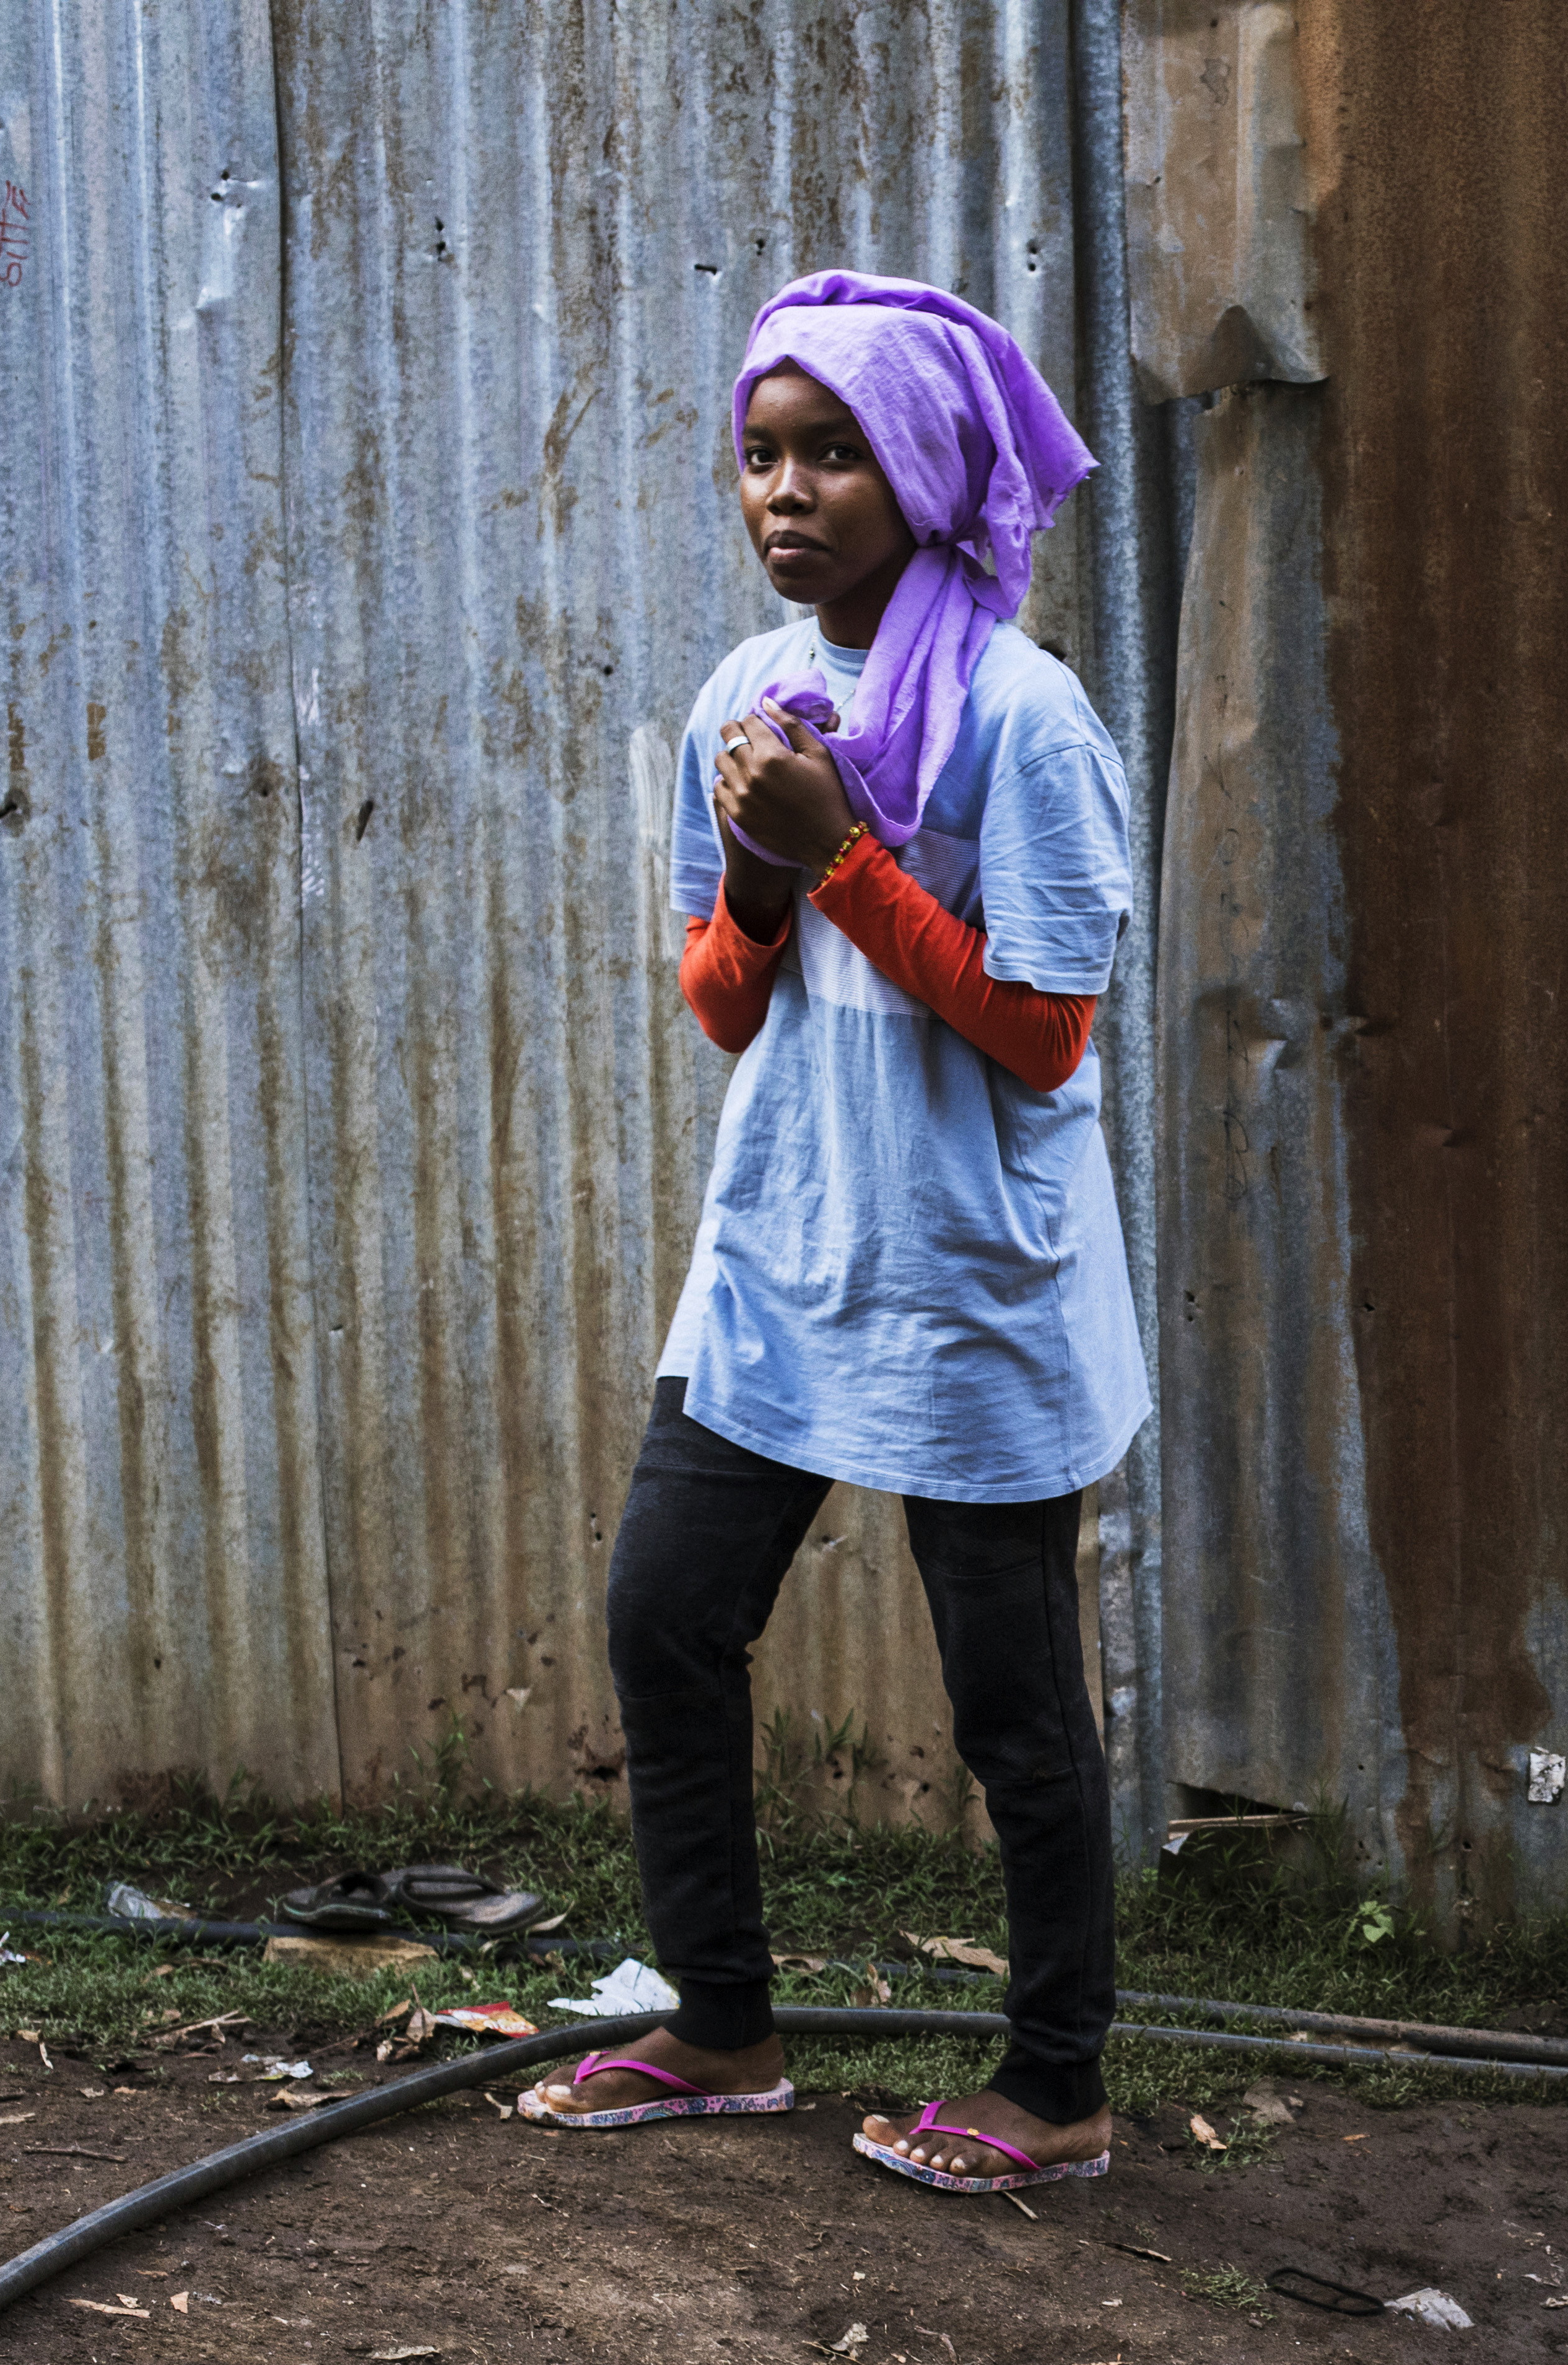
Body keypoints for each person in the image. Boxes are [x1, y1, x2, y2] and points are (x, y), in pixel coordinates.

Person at [515, 272, 1143, 2197]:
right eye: (760, 457)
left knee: (1014, 1708)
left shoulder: (1028, 723)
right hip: (791, 1250)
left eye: (832, 452)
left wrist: (848, 850)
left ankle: (1056, 2087)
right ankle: (722, 2028)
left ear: (929, 467)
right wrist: (771, 869)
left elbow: (1044, 1031)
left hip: (971, 1275)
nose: (784, 493)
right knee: (666, 1615)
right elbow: (720, 999)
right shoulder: (748, 697)